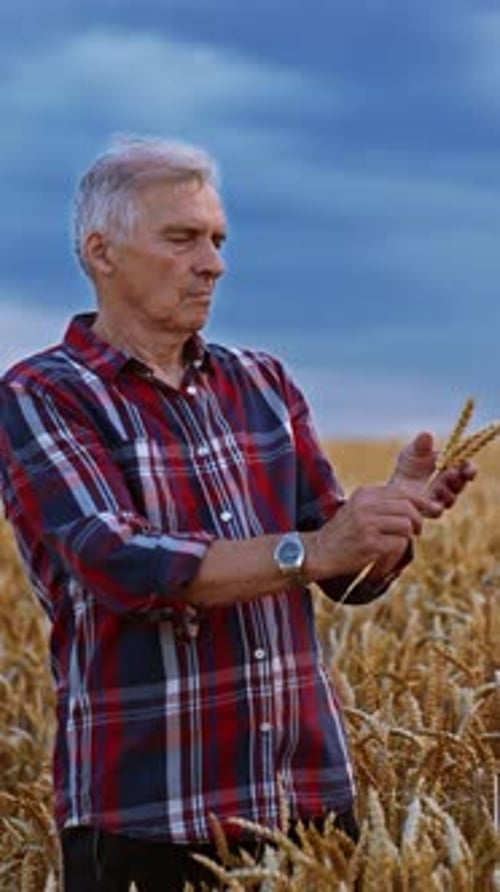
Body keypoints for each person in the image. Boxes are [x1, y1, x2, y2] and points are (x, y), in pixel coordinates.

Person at [0, 137, 474, 891]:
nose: (214, 262)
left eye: (218, 240)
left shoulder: (263, 382)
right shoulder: (42, 395)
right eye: (182, 238)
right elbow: (123, 563)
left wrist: (385, 525)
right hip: (149, 820)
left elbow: (345, 576)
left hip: (308, 805)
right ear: (101, 251)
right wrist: (316, 549)